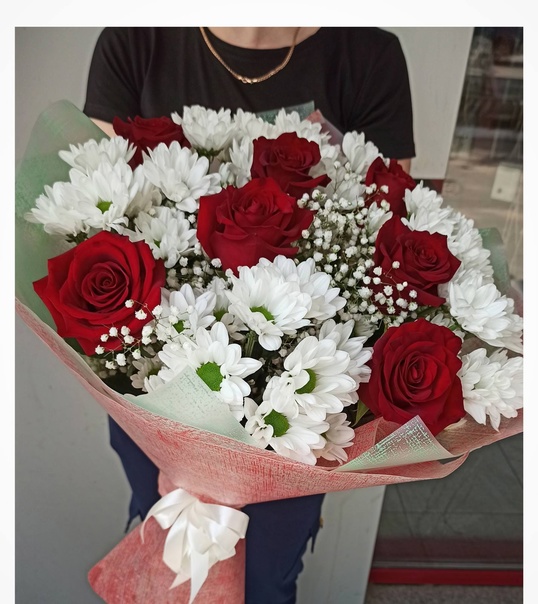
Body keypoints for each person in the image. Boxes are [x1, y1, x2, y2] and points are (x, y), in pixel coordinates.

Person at [83, 26, 415, 604]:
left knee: (266, 580)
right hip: (155, 395)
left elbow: (391, 233)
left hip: (299, 421)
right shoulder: (137, 39)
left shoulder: (368, 55)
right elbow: (94, 215)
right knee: (160, 553)